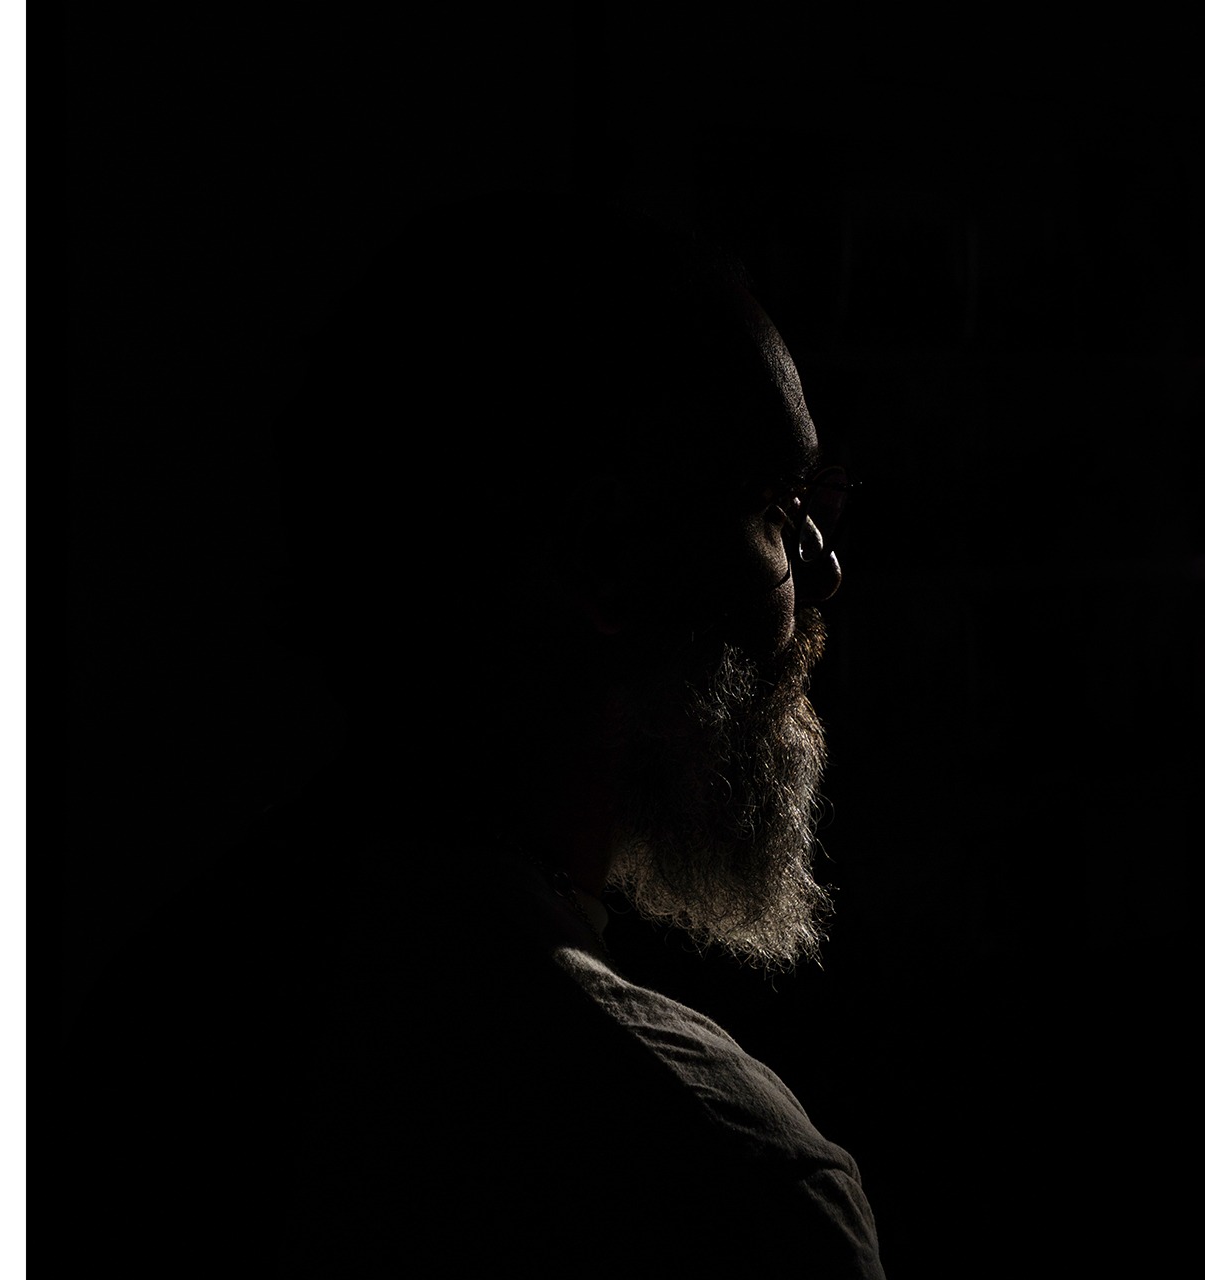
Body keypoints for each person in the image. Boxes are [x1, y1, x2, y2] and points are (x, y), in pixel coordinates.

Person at [59, 193, 883, 1276]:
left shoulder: (152, 1017)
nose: (823, 569)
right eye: (776, 506)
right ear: (605, 558)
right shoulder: (716, 1175)